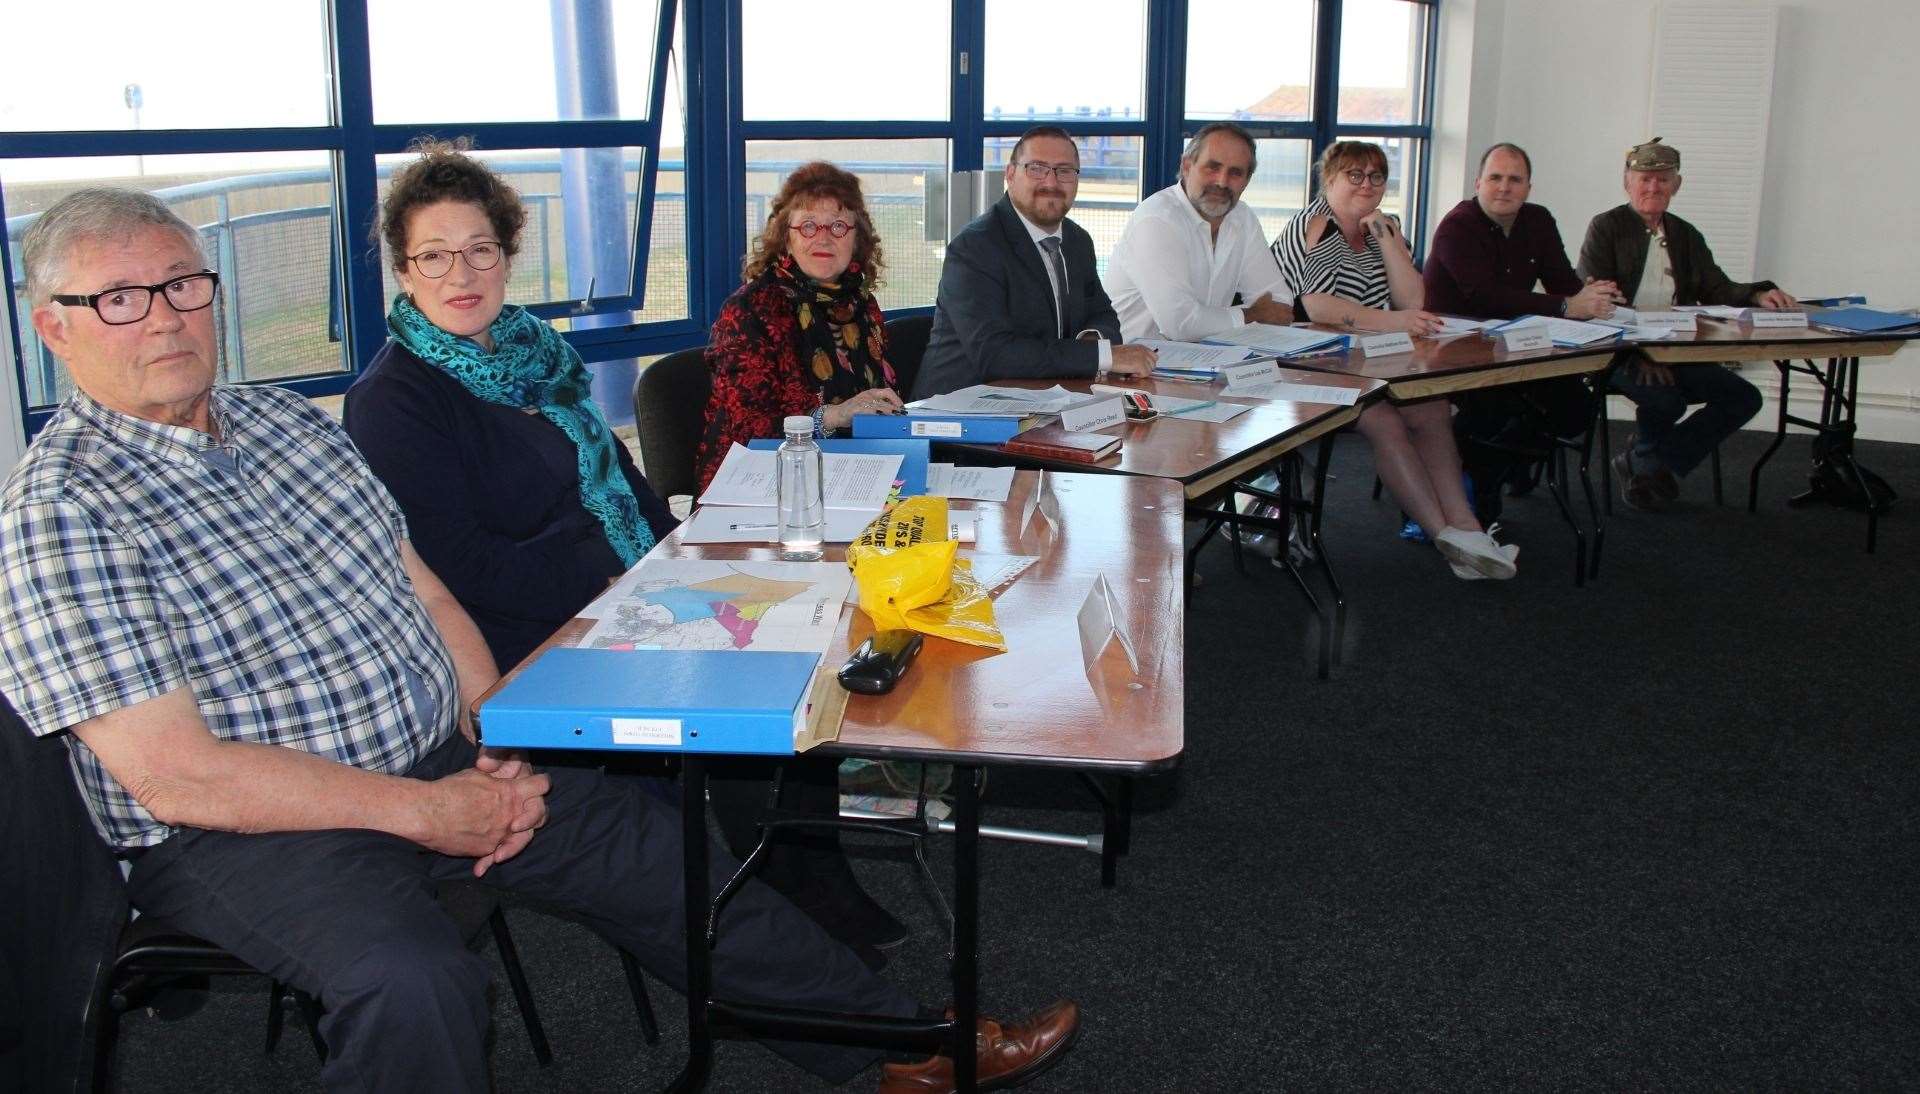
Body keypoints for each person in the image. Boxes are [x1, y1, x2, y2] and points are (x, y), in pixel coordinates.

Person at [0, 187, 1078, 1093]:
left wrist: (495, 727)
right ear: (54, 326)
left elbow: (423, 590)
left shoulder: (283, 425)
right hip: (257, 825)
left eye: (187, 285)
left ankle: (901, 1047)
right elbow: (179, 776)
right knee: (413, 980)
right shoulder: (62, 508)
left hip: (439, 754)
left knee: (664, 850)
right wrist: (426, 810)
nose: (167, 318)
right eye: (121, 298)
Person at [345, 144, 909, 965]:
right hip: (524, 638)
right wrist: (615, 580)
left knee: (801, 642)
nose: (459, 272)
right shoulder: (394, 401)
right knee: (752, 679)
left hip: (615, 590)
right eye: (434, 255)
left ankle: (803, 876)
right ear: (403, 269)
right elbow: (462, 566)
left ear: (507, 255)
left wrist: (673, 548)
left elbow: (614, 476)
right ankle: (775, 905)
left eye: (480, 249)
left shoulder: (535, 354)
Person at [1271, 141, 1517, 580]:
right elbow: (1314, 306)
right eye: (1354, 175)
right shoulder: (1316, 224)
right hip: (1302, 362)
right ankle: (1444, 535)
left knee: (1433, 408)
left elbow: (1414, 300)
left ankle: (1468, 530)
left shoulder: (1381, 227)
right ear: (1328, 180)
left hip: (1365, 360)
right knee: (1384, 420)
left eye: (1376, 177)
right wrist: (1393, 322)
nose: (1367, 185)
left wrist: (1386, 239)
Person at [1578, 138, 1788, 510]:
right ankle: (1648, 461)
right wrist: (1642, 355)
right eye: (1645, 179)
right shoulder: (1606, 227)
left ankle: (1651, 460)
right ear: (1628, 182)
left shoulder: (1686, 234)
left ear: (1677, 184)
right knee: (1665, 400)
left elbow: (1717, 286)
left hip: (1676, 350)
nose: (1653, 187)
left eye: (1663, 179)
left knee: (1743, 397)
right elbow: (1598, 302)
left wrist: (1758, 295)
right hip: (1619, 352)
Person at [1424, 142, 1622, 521]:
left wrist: (1593, 295)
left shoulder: (1538, 220)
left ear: (1528, 187)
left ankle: (1501, 466)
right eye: (1495, 178)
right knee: (1499, 409)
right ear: (1478, 182)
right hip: (1454, 346)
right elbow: (1484, 297)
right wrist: (1566, 307)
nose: (1504, 188)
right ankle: (1484, 488)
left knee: (1577, 407)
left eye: (1515, 180)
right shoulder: (1457, 226)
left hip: (1516, 344)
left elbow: (1562, 281)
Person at [697, 160, 904, 491]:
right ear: (786, 237)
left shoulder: (860, 303)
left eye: (837, 226)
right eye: (808, 226)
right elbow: (751, 434)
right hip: (761, 488)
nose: (823, 239)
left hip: (856, 474)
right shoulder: (750, 312)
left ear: (857, 238)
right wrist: (832, 417)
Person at [913, 126, 1156, 399]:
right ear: (1010, 174)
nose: (1051, 183)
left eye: (1064, 171)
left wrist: (1089, 343)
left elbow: (1103, 314)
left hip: (1045, 403)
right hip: (961, 414)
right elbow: (996, 355)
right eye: (1037, 168)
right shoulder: (975, 248)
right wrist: (1100, 356)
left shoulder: (1077, 241)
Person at [1106, 122, 1294, 342]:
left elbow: (1280, 303)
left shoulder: (1242, 218)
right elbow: (1180, 325)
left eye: (1235, 173)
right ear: (1187, 166)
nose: (1222, 182)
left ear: (1247, 181)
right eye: (1212, 167)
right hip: (1132, 368)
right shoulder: (1157, 219)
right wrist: (1252, 315)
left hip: (1204, 361)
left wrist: (1211, 321)